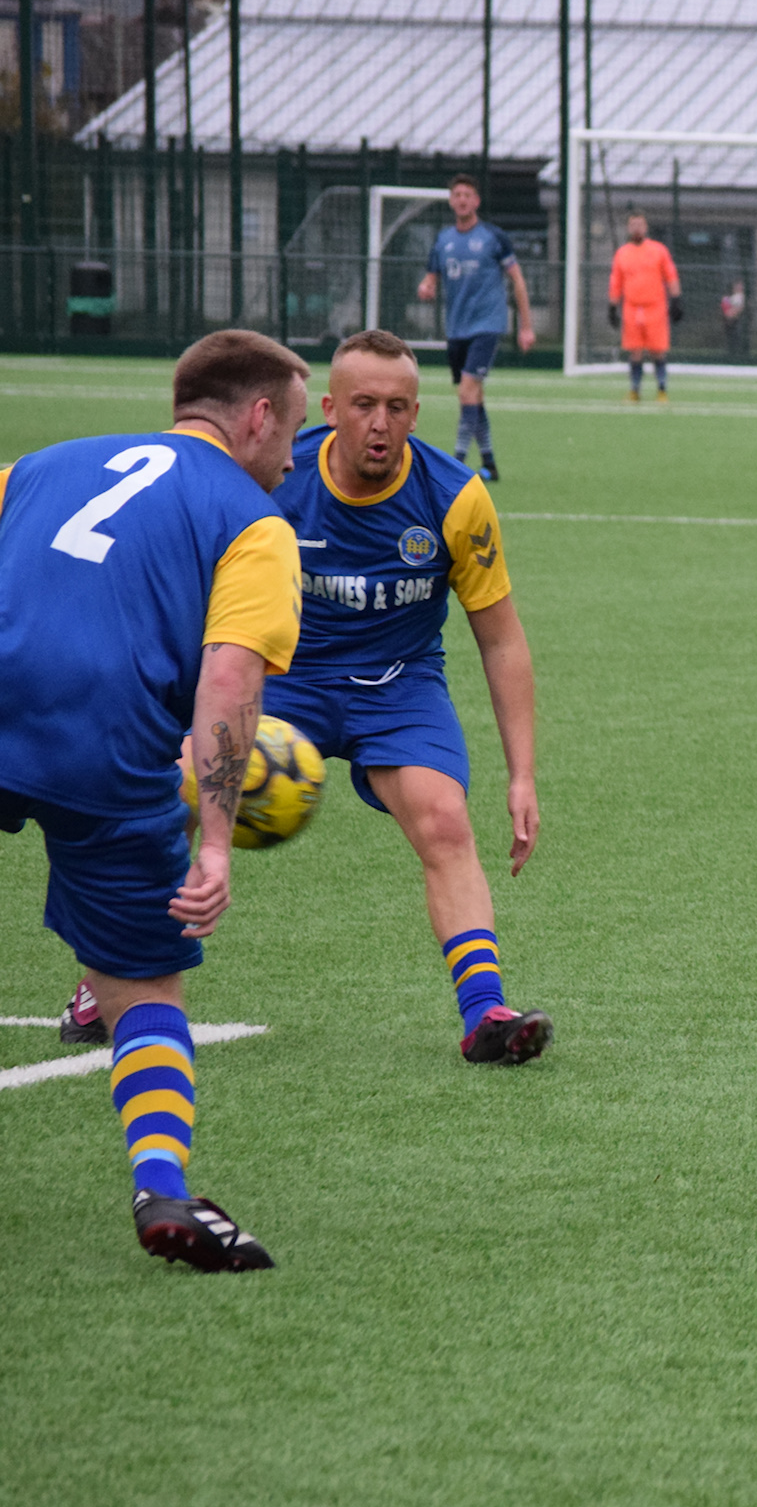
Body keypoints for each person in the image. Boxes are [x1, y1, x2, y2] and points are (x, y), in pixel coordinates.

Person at [60, 330, 552, 1070]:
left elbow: (502, 640)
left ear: (417, 413)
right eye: (363, 405)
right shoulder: (274, 477)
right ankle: (106, 978)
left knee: (445, 819)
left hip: (399, 685)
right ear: (328, 408)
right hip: (283, 677)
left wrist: (522, 774)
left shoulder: (456, 498)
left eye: (396, 407)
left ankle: (486, 1013)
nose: (380, 424)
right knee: (179, 789)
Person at [2, 330, 308, 1271]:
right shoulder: (255, 522)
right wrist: (214, 840)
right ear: (258, 416)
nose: (294, 457)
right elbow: (230, 678)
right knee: (141, 986)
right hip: (111, 751)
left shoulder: (35, 467)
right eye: (294, 431)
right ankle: (163, 1187)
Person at [414, 174, 534, 482]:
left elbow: (517, 279)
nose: (462, 200)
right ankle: (490, 464)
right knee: (473, 395)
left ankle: (456, 463)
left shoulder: (493, 237)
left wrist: (526, 326)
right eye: (457, 194)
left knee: (467, 390)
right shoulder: (443, 240)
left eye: (468, 194)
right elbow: (431, 278)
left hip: (487, 325)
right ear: (451, 201)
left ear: (476, 201)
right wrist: (426, 287)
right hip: (457, 329)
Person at [607, 211, 683, 403]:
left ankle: (662, 389)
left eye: (640, 224)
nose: (637, 228)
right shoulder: (622, 253)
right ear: (628, 228)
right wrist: (612, 307)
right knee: (635, 351)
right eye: (633, 225)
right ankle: (635, 390)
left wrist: (676, 300)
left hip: (655, 308)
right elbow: (616, 281)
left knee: (658, 350)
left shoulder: (658, 250)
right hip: (631, 308)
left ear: (646, 227)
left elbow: (671, 276)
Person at [720, 279, 749, 358]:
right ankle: (731, 353)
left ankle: (739, 353)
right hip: (730, 322)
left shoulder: (742, 297)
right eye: (738, 286)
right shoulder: (727, 298)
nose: (740, 288)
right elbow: (727, 312)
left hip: (738, 322)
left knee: (737, 338)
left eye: (741, 286)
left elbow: (740, 309)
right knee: (731, 338)